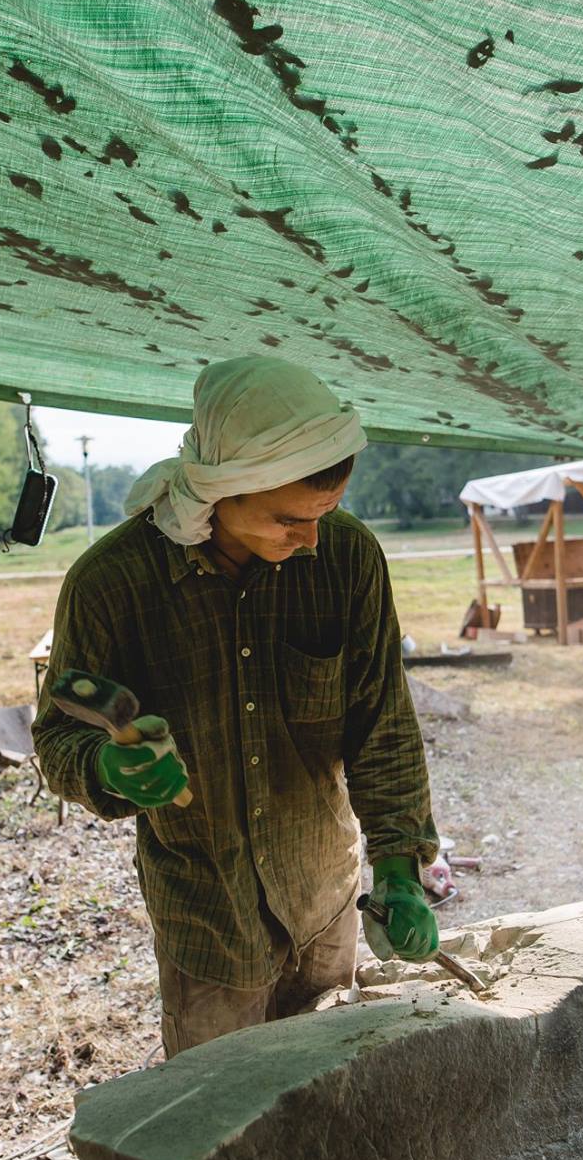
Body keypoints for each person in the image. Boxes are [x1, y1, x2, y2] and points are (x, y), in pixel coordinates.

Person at [33, 356, 440, 1058]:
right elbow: (58, 738)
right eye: (288, 519)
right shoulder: (112, 584)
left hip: (323, 901)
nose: (311, 539)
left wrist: (399, 868)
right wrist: (107, 765)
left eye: (326, 515)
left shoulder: (346, 559)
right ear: (221, 492)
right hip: (209, 922)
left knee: (324, 1098)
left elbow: (383, 724)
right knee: (217, 1129)